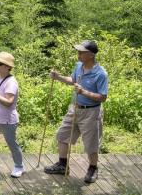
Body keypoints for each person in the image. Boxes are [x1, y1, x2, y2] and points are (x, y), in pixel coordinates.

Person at [43, 40, 108, 183]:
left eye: (81, 52)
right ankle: (62, 165)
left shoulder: (100, 74)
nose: (78, 54)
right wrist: (58, 77)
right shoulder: (79, 66)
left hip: (91, 112)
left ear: (91, 55)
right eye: (78, 51)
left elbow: (103, 97)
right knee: (62, 135)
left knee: (91, 144)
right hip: (74, 108)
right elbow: (72, 80)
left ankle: (93, 169)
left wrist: (84, 92)